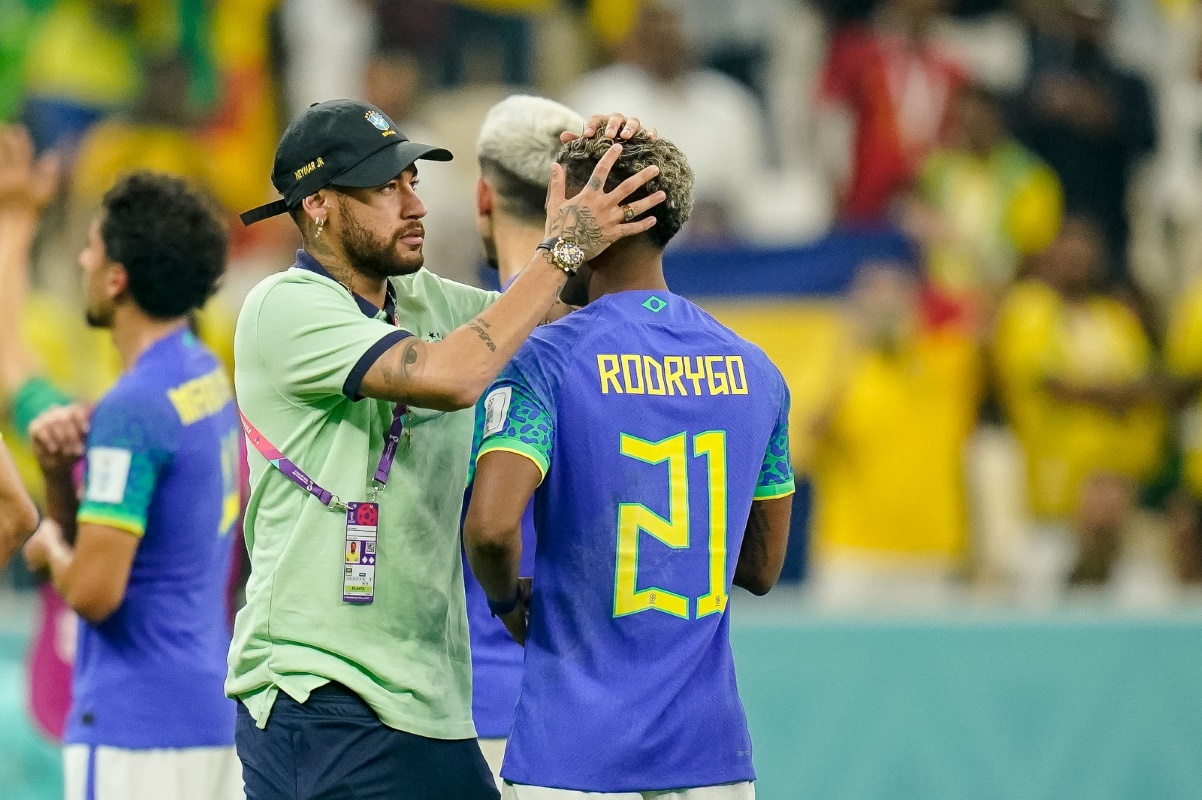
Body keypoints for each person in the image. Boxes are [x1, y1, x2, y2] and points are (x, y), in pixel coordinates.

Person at [228, 99, 664, 799]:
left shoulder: (418, 298)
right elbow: (455, 376)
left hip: (429, 704)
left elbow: (559, 318)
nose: (415, 205)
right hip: (319, 692)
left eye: (412, 181)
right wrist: (560, 250)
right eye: (384, 188)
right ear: (317, 205)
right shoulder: (283, 307)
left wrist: (610, 168)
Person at [463, 130, 795, 798]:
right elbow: (760, 568)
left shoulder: (544, 360)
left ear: (590, 222)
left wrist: (505, 601)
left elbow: (492, 529)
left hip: (573, 750)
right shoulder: (757, 370)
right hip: (709, 751)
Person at [21, 171, 242, 800]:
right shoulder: (204, 375)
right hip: (208, 714)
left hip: (136, 730)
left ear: (116, 279)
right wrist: (59, 475)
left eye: (92, 248)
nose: (83, 261)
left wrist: (47, 548)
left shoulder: (133, 407)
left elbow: (94, 592)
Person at [467, 94, 585, 784]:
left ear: (484, 196)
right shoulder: (625, 347)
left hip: (481, 705)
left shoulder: (454, 356)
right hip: (610, 709)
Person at [993, 217, 1165, 593]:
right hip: (1054, 501)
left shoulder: (1115, 318)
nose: (1076, 261)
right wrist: (1113, 395)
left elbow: (1144, 387)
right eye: (1066, 252)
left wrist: (1101, 392)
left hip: (1116, 502)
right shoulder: (1030, 309)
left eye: (1084, 252)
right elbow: (1050, 383)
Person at [804, 260, 980, 608]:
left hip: (931, 555)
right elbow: (809, 441)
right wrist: (849, 349)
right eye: (874, 296)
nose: (885, 306)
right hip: (852, 557)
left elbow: (985, 310)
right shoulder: (838, 370)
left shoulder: (945, 363)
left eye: (895, 295)